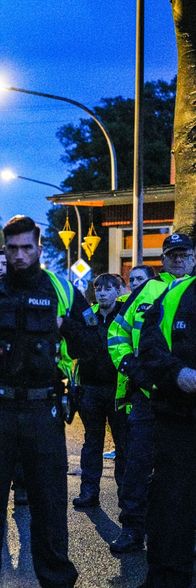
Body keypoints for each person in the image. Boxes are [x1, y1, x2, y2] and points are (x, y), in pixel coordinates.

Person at [0, 216, 89, 588]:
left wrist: (67, 326)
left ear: (39, 248)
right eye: (12, 248)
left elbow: (91, 347)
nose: (19, 255)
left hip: (42, 410)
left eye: (26, 247)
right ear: (5, 248)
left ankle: (56, 580)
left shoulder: (62, 290)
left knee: (49, 504)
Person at [107, 233, 195, 553]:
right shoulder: (146, 290)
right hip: (148, 396)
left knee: (185, 467)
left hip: (189, 398)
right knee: (138, 464)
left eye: (184, 253)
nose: (178, 259)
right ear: (163, 259)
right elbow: (117, 332)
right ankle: (133, 528)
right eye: (172, 254)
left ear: (194, 256)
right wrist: (132, 368)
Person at [137, 272, 196, 587]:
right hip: (180, 420)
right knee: (171, 506)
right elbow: (148, 348)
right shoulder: (173, 297)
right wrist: (178, 373)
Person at [72, 273, 127, 509]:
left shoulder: (124, 316)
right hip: (91, 389)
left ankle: (126, 496)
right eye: (98, 288)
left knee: (123, 445)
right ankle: (88, 493)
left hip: (118, 390)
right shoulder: (88, 317)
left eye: (108, 288)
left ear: (118, 291)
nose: (102, 292)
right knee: (92, 442)